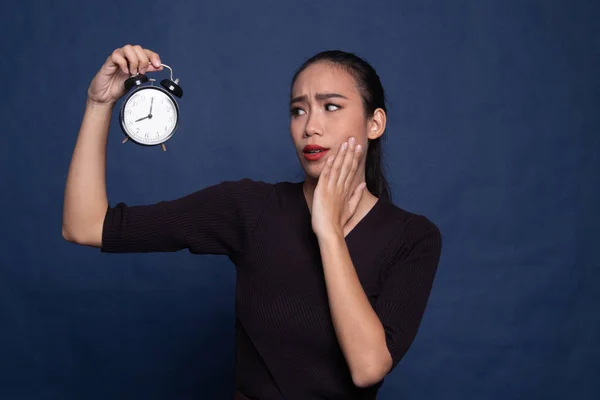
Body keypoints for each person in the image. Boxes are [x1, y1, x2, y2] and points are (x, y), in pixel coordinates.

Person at [62, 44, 442, 400]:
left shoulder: (412, 238)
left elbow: (368, 368)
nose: (310, 126)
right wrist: (100, 103)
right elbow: (85, 225)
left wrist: (328, 231)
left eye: (331, 107)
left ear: (375, 123)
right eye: (298, 110)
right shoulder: (252, 208)